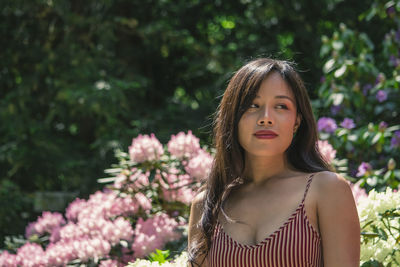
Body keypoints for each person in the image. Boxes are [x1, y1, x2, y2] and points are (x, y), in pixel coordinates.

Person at [187, 58, 360, 267]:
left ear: (297, 120)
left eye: (281, 106)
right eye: (253, 105)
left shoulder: (326, 190)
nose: (266, 118)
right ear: (233, 118)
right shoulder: (208, 204)